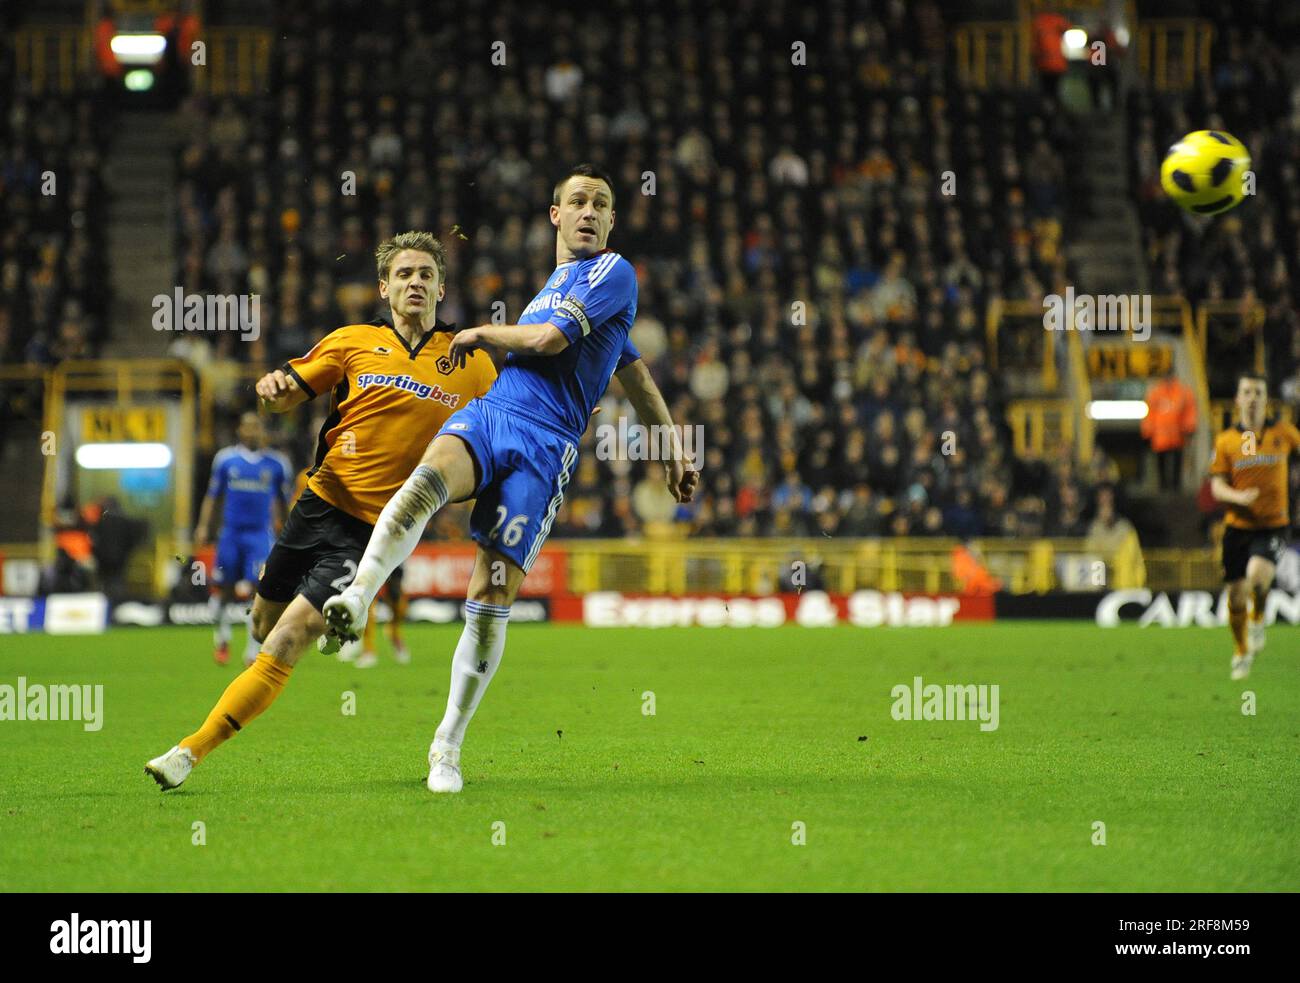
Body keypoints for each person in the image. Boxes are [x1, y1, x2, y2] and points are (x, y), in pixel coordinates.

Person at [323, 164, 698, 793]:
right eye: (576, 200)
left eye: (600, 204)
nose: (588, 211)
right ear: (555, 215)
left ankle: (446, 746)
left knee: (491, 596)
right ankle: (357, 599)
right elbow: (631, 370)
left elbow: (551, 340)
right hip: (495, 415)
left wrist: (481, 333)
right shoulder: (557, 282)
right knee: (424, 482)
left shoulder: (615, 272)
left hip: (544, 449)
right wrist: (674, 446)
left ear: (610, 221)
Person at [145, 231, 497, 789]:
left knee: (285, 640)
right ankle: (338, 625)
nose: (415, 283)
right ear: (384, 287)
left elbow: (499, 428)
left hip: (373, 532)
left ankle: (188, 753)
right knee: (261, 624)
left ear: (442, 288)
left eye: (426, 274)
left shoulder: (471, 362)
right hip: (316, 505)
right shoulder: (352, 341)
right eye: (404, 274)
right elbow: (288, 392)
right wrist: (272, 389)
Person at [1208, 374, 1300, 679]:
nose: (1252, 398)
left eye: (1258, 392)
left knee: (1258, 580)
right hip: (1237, 527)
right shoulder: (1225, 441)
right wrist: (1239, 496)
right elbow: (1217, 487)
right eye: (1246, 392)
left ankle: (1258, 617)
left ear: (1266, 398)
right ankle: (1241, 650)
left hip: (1272, 525)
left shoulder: (1284, 433)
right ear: (1237, 399)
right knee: (1235, 596)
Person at [194, 411, 291, 666]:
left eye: (256, 426)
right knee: (223, 589)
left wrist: (290, 531)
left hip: (259, 535)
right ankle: (222, 638)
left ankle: (251, 649)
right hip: (231, 534)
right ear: (239, 430)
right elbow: (212, 496)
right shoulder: (226, 460)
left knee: (258, 591)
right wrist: (204, 526)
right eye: (247, 426)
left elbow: (283, 502)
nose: (252, 431)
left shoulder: (277, 464)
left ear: (263, 430)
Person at [1141, 368, 1197, 491]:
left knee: (1177, 462)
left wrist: (1189, 428)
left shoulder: (1182, 392)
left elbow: (1189, 411)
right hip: (1160, 437)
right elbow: (1150, 413)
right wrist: (1147, 432)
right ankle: (1163, 487)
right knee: (1161, 464)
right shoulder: (1156, 393)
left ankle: (1176, 487)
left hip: (1177, 436)